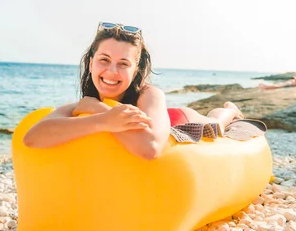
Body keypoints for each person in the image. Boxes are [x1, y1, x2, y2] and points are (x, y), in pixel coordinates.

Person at [23, 22, 244, 159]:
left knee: (214, 125)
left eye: (123, 63)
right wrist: (104, 119)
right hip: (121, 115)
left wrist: (102, 113)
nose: (111, 71)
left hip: (177, 119)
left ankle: (229, 111)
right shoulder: (84, 105)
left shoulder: (150, 95)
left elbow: (150, 149)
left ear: (136, 69)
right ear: (91, 63)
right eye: (104, 60)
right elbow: (32, 138)